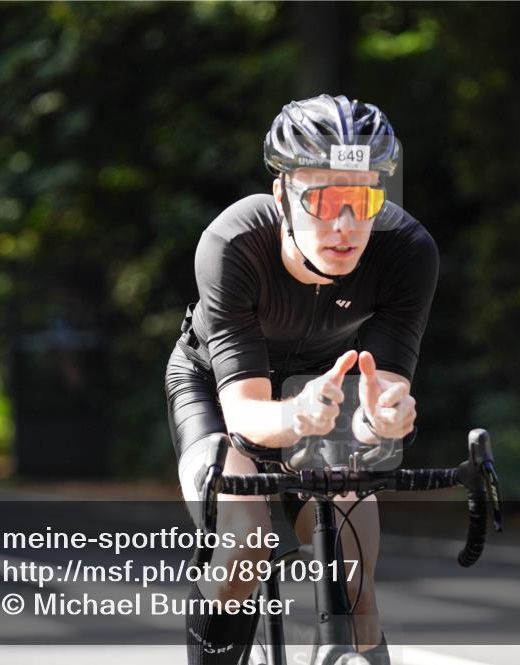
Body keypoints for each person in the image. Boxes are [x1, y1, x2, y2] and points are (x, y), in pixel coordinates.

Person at [166, 94, 438, 665]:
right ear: (283, 195)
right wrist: (295, 418)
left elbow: (381, 391)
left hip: (323, 390)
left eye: (363, 200)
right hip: (220, 392)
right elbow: (246, 414)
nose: (345, 225)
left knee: (356, 576)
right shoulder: (233, 243)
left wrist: (383, 418)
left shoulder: (405, 250)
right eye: (324, 198)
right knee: (243, 544)